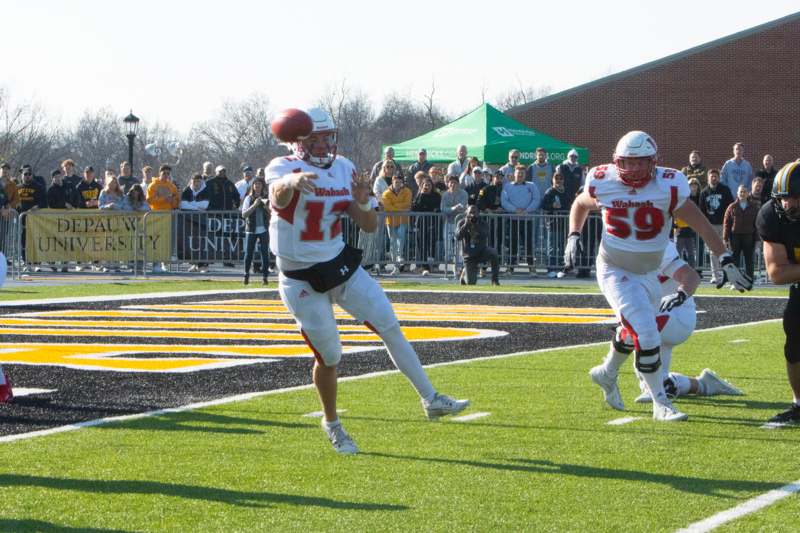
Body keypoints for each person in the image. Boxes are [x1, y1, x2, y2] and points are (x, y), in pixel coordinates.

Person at [266, 107, 469, 455]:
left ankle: (430, 398)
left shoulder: (343, 168)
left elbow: (370, 226)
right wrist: (292, 182)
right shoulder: (282, 167)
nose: (326, 144)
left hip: (337, 261)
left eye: (329, 137)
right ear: (300, 141)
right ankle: (332, 424)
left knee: (389, 323)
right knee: (330, 355)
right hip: (300, 276)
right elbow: (277, 197)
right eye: (318, 138)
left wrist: (361, 202)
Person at [564, 130, 752, 422]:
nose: (635, 168)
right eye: (628, 162)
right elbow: (580, 204)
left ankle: (607, 372)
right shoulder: (603, 181)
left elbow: (699, 222)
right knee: (646, 332)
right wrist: (574, 234)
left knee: (638, 329)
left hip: (649, 272)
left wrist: (724, 255)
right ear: (617, 162)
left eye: (641, 162)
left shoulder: (668, 185)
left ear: (653, 162)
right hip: (615, 268)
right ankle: (660, 404)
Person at [590, 241, 743, 410]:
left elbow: (691, 276)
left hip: (675, 314)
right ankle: (704, 384)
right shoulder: (621, 243)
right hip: (657, 312)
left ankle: (607, 371)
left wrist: (680, 294)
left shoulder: (656, 243)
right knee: (660, 384)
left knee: (633, 329)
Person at [757, 162, 800, 425]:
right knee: (794, 335)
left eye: (795, 197)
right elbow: (777, 273)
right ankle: (799, 405)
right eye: (784, 198)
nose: (788, 205)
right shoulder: (771, 216)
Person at [501, 164, 540, 275]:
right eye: (518, 173)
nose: (520, 175)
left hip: (527, 220)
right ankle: (510, 268)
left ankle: (532, 268)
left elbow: (536, 199)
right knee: (512, 245)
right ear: (514, 174)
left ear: (525, 175)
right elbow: (504, 201)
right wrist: (515, 210)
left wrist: (527, 210)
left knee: (529, 245)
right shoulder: (507, 186)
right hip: (512, 219)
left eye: (522, 173)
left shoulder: (532, 185)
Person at [699, 168, 734, 283]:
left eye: (716, 176)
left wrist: (729, 223)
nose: (714, 178)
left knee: (726, 250)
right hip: (711, 226)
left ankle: (727, 274)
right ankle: (715, 275)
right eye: (712, 176)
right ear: (708, 178)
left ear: (719, 178)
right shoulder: (704, 192)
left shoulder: (725, 190)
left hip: (724, 225)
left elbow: (731, 207)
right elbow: (701, 211)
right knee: (713, 251)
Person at [455, 205, 499, 285]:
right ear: (466, 213)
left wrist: (476, 225)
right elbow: (458, 237)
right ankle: (464, 276)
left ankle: (494, 280)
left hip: (481, 252)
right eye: (470, 213)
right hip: (469, 256)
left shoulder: (483, 222)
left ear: (478, 213)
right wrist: (466, 225)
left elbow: (486, 234)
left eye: (474, 213)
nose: (473, 215)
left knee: (493, 253)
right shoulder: (461, 222)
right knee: (471, 283)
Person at [723, 184, 759, 281]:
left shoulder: (753, 207)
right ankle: (735, 280)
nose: (742, 193)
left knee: (749, 260)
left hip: (749, 236)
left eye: (744, 192)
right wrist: (725, 239)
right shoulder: (732, 207)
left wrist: (757, 240)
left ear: (748, 193)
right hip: (735, 237)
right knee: (735, 260)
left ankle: (749, 280)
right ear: (737, 193)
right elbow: (727, 224)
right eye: (740, 192)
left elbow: (757, 225)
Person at [240, 177, 270, 285]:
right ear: (252, 186)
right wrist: (255, 205)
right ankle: (246, 275)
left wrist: (265, 206)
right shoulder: (248, 198)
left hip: (264, 229)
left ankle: (265, 277)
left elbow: (272, 213)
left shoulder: (267, 198)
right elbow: (244, 214)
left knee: (265, 254)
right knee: (248, 254)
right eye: (255, 184)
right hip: (251, 230)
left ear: (263, 186)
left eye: (259, 184)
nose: (257, 186)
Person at [180, 174, 211, 273]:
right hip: (189, 222)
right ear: (191, 181)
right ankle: (195, 264)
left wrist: (191, 205)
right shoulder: (187, 191)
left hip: (202, 222)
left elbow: (205, 205)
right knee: (191, 243)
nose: (196, 183)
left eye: (198, 181)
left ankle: (203, 265)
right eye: (194, 181)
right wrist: (197, 208)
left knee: (202, 242)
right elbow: (183, 204)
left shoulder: (205, 191)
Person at [381, 174, 412, 275]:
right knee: (393, 242)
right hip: (390, 221)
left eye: (399, 182)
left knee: (401, 239)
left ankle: (399, 259)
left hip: (403, 220)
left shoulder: (407, 191)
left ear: (402, 182)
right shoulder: (386, 193)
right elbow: (387, 207)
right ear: (392, 182)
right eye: (396, 182)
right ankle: (395, 266)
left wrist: (394, 206)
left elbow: (408, 204)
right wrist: (401, 208)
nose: (398, 184)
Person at [541, 172, 570, 278]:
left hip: (564, 224)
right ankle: (551, 269)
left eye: (561, 178)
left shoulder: (566, 192)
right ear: (552, 180)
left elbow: (569, 205)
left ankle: (561, 269)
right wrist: (552, 205)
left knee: (563, 248)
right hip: (552, 224)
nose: (559, 180)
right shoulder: (550, 192)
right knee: (552, 247)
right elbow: (543, 205)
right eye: (556, 178)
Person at [412, 177, 440, 276]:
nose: (427, 187)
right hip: (421, 222)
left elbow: (437, 207)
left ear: (432, 186)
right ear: (422, 186)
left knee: (431, 243)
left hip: (432, 222)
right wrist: (421, 194)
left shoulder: (436, 195)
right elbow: (415, 207)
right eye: (425, 185)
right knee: (421, 244)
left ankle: (431, 264)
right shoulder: (419, 195)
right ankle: (424, 266)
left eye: (429, 185)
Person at [440, 174, 469, 274]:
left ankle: (459, 267)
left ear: (458, 184)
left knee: (460, 245)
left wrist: (456, 208)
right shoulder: (445, 195)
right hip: (449, 222)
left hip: (460, 223)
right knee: (447, 243)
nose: (453, 184)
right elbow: (443, 209)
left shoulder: (464, 193)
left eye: (455, 183)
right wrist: (453, 208)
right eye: (451, 182)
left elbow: (463, 207)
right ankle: (451, 265)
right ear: (448, 184)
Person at [673, 178, 702, 268]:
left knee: (691, 252)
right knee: (677, 252)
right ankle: (676, 270)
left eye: (695, 185)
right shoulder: (681, 197)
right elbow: (673, 212)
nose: (693, 187)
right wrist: (674, 226)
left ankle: (693, 270)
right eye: (691, 185)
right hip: (679, 228)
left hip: (691, 228)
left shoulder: (700, 197)